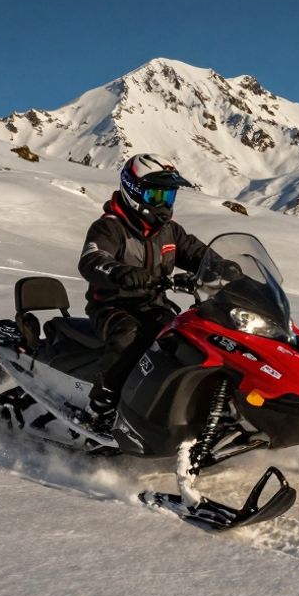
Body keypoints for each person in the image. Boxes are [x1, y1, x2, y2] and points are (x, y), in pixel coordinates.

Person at [77, 154, 208, 430]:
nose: (163, 204)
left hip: (155, 306)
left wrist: (225, 267)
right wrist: (120, 272)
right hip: (113, 307)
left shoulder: (170, 231)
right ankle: (99, 408)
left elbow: (199, 254)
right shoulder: (109, 227)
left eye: (169, 196)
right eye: (156, 195)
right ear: (134, 191)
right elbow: (92, 259)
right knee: (129, 336)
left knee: (194, 336)